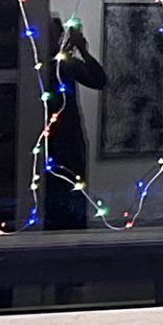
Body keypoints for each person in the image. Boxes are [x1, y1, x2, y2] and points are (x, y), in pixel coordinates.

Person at [41, 15, 106, 228]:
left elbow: (99, 81)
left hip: (69, 141)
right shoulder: (40, 66)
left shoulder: (66, 65)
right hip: (49, 142)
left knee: (72, 195)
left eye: (53, 34)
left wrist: (82, 50)